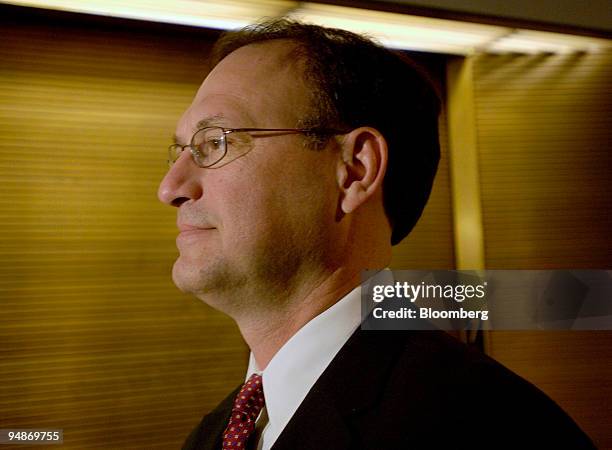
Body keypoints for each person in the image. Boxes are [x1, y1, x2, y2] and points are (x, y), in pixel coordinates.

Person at [158, 19, 594, 450]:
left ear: (354, 171)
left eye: (215, 142)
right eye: (181, 150)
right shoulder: (218, 433)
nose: (171, 189)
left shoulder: (491, 428)